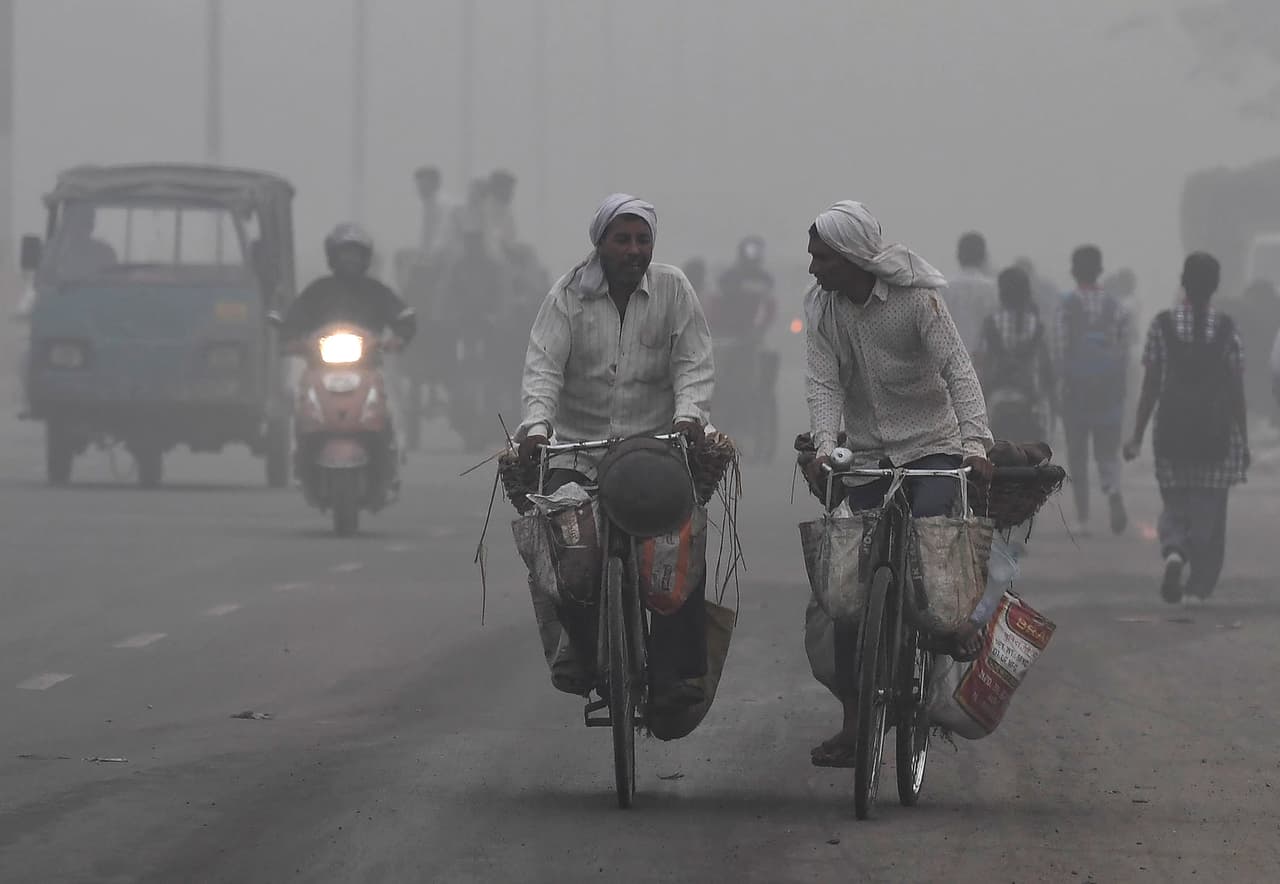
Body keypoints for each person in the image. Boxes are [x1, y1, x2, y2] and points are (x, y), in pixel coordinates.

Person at [798, 200, 994, 768]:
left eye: (821, 258)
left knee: (936, 544)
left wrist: (976, 446)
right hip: (864, 454)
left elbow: (959, 370)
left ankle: (949, 631)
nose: (813, 268)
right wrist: (826, 445)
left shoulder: (916, 301)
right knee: (845, 589)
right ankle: (854, 721)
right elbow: (822, 382)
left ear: (855, 257)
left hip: (932, 446)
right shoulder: (823, 310)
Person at [515, 193, 714, 708]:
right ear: (599, 243)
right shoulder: (566, 296)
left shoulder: (673, 289)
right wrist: (537, 427)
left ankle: (673, 673)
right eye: (622, 239)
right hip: (577, 453)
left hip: (655, 451)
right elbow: (543, 368)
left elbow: (693, 362)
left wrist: (690, 415)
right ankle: (584, 651)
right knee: (566, 556)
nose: (633, 250)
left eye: (642, 240)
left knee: (679, 548)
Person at [1123, 253, 1248, 603]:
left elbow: (1150, 386)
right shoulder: (1227, 329)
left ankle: (1174, 550)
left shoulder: (1161, 325)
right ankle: (1197, 584)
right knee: (1208, 509)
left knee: (1175, 501)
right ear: (1216, 286)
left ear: (1183, 282)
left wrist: (1137, 435)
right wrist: (1244, 438)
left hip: (1171, 431)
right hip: (1215, 432)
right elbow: (1236, 389)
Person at [281, 224, 417, 481]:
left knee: (391, 399)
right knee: (298, 399)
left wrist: (398, 338)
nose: (350, 259)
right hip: (320, 367)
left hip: (367, 366)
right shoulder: (318, 290)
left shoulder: (377, 291)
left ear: (366, 257)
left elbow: (404, 316)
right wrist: (289, 338)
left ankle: (395, 451)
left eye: (356, 254)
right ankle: (298, 451)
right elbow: (292, 319)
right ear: (332, 256)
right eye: (344, 253)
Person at [1052, 245, 1131, 536]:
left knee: (1078, 454)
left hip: (1076, 392)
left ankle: (1083, 519)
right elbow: (1123, 351)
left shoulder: (1067, 305)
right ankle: (1112, 491)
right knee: (1107, 452)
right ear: (1100, 270)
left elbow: (1060, 350)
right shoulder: (1116, 307)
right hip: (1107, 392)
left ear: (1074, 271)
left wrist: (1060, 386)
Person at [977, 266, 1057, 442]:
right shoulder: (1038, 326)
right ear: (1028, 294)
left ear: (1001, 294)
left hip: (996, 400)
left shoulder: (991, 323)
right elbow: (1048, 369)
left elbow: (981, 362)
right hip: (1032, 399)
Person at [942, 231, 997, 355]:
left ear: (958, 256)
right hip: (983, 358)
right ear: (983, 256)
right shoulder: (992, 289)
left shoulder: (945, 288)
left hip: (952, 356)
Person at [713, 236, 778, 340]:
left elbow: (768, 305)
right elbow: (720, 298)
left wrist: (759, 329)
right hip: (728, 326)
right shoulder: (729, 277)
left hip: (753, 329)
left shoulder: (765, 279)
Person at [414, 165, 451, 257]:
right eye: (418, 184)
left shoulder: (445, 205)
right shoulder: (424, 206)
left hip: (442, 255)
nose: (420, 188)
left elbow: (444, 235)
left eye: (424, 184)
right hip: (427, 255)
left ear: (436, 184)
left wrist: (429, 255)